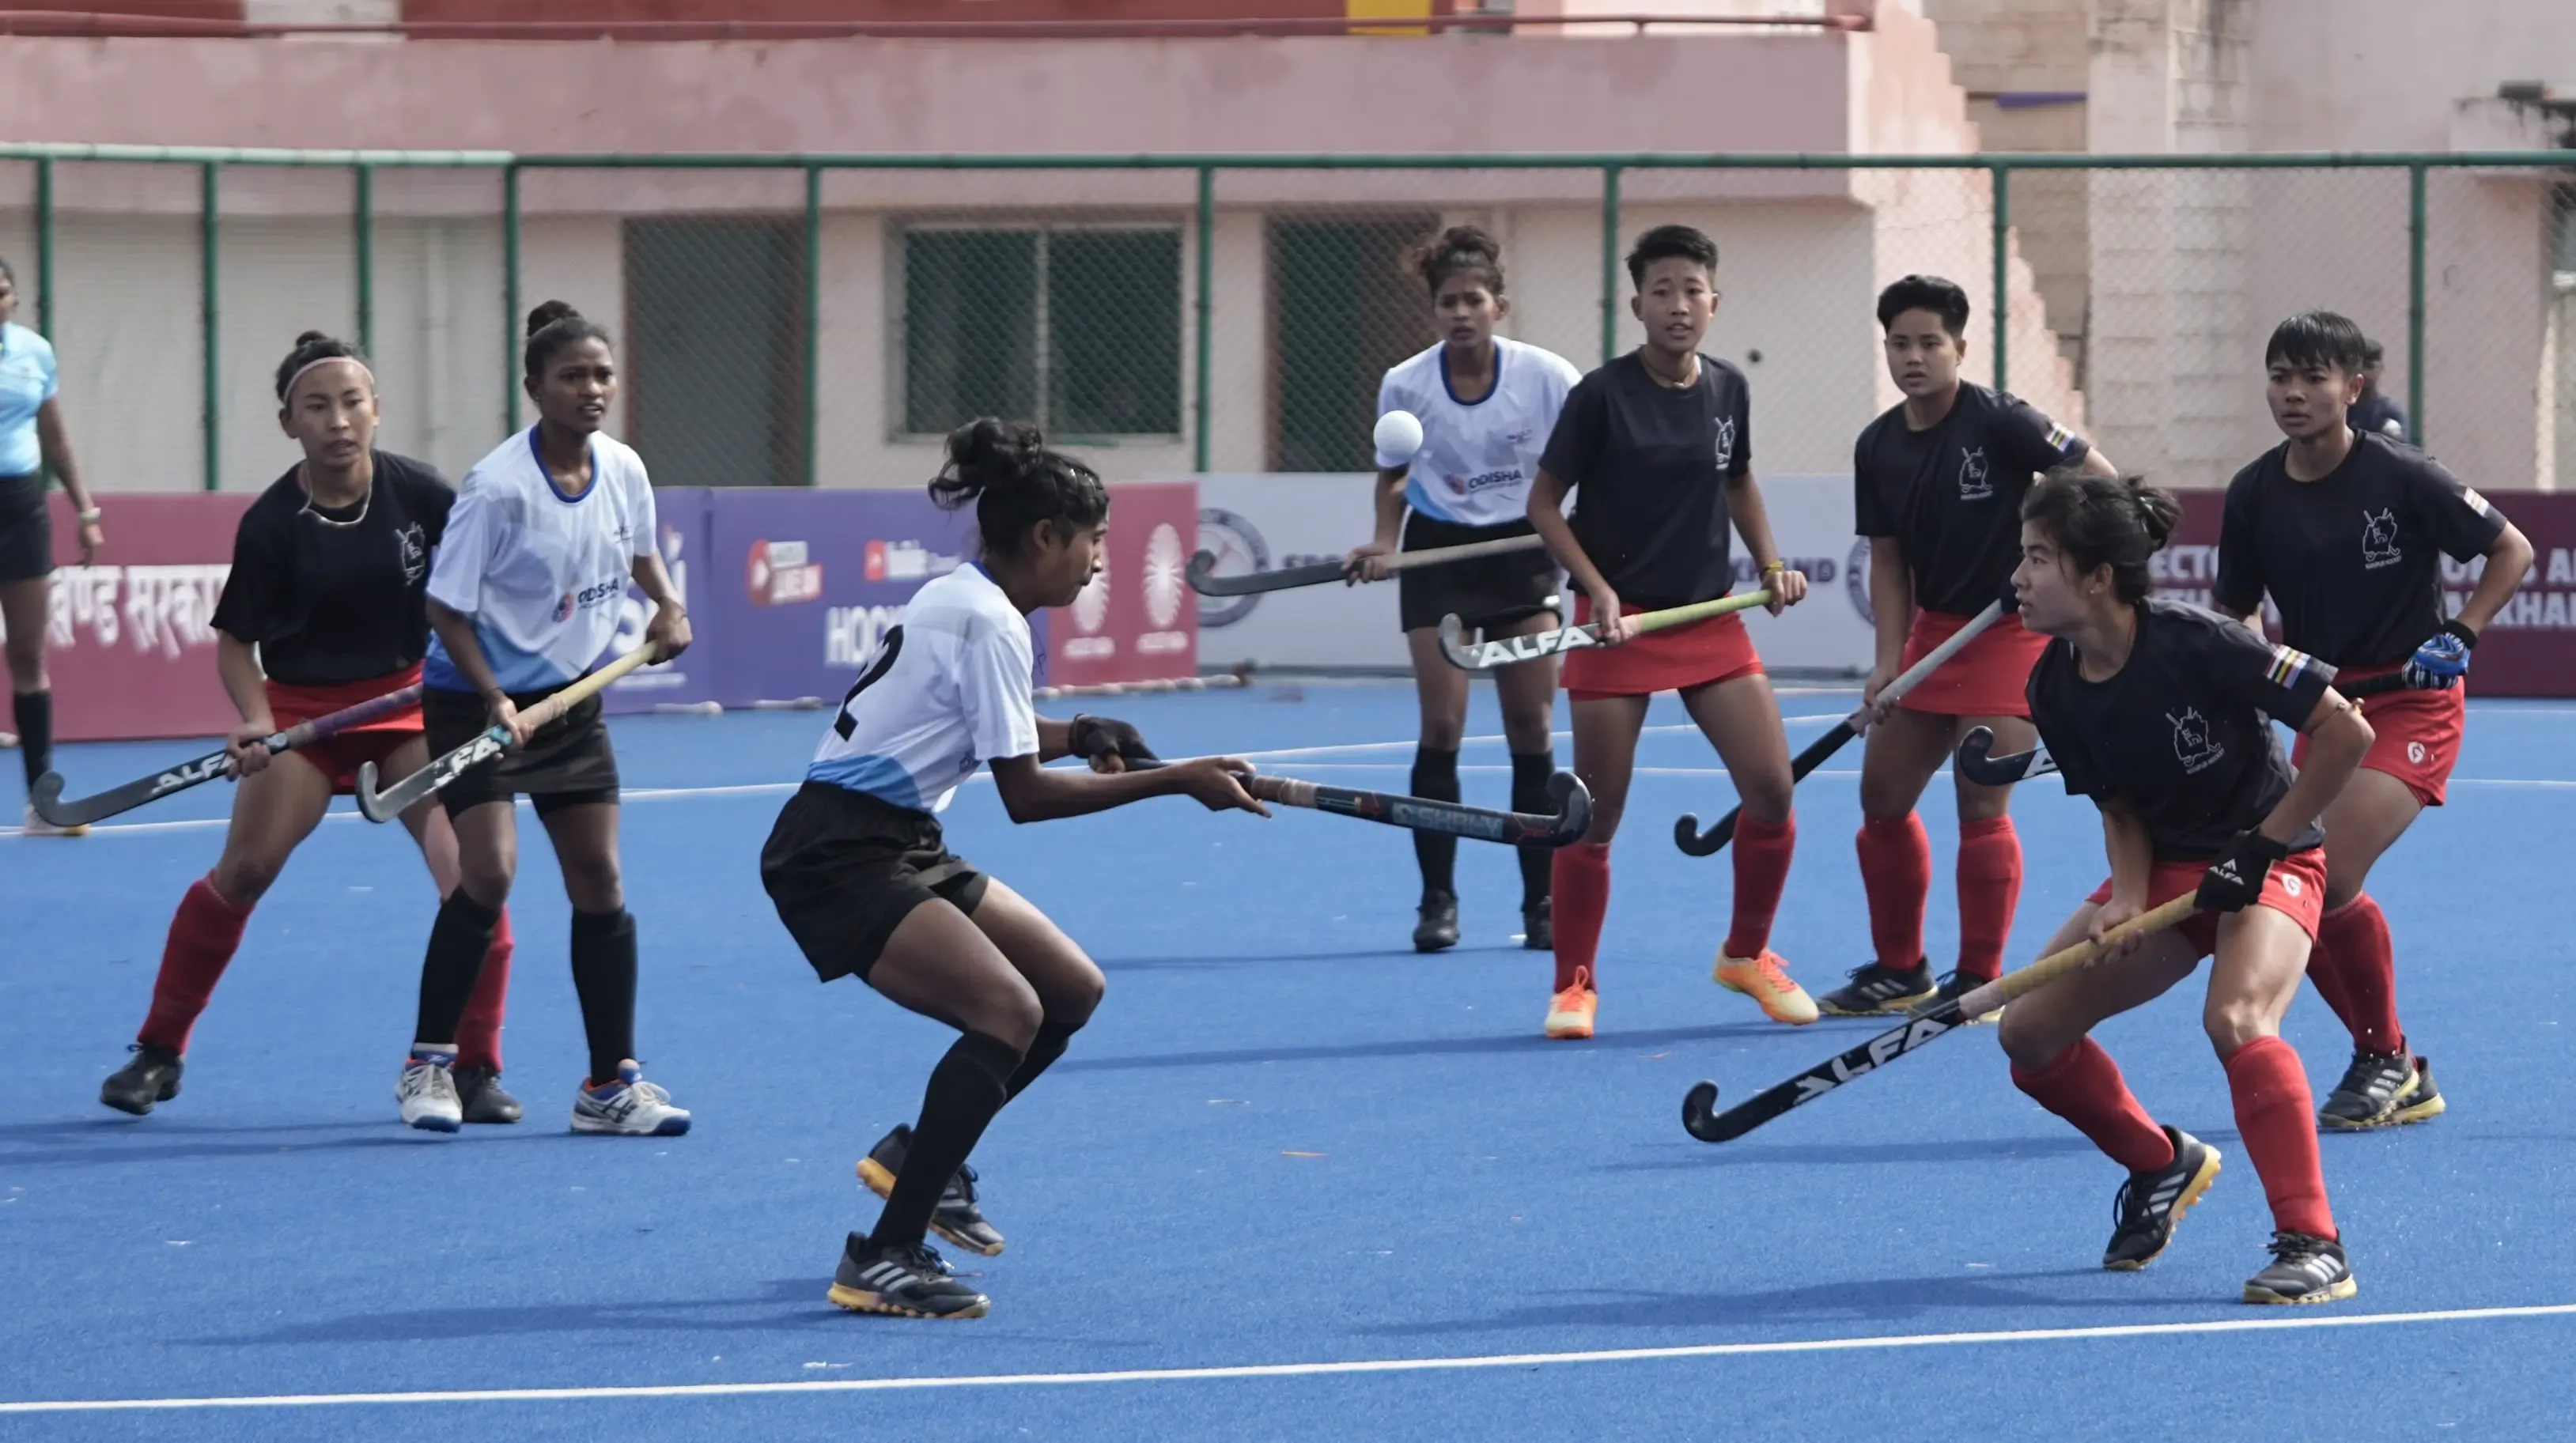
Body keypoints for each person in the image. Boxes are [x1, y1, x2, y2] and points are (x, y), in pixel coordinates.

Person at [762, 417, 1265, 1320]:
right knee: (1007, 1010)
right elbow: (1025, 798)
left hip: (900, 837)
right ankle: (885, 1253)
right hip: (838, 852)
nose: (1099, 561)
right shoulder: (988, 621)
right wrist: (1177, 781)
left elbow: (990, 730)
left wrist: (1085, 732)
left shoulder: (972, 599)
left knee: (1069, 989)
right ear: (1044, 537)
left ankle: (922, 1156)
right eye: (1093, 541)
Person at [99, 334, 521, 1121]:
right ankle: (159, 1049)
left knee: (473, 878)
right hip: (302, 720)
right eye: (317, 406)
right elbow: (236, 644)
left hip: (408, 713)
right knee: (245, 872)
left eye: (352, 401)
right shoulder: (271, 523)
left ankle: (473, 1065)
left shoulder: (422, 494)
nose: (338, 420)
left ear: (377, 408)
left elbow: (480, 591)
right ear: (288, 420)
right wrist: (255, 719)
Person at [2002, 472, 2374, 1305]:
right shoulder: (2049, 686)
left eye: (2035, 559)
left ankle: (2313, 1243)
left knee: (2236, 1018)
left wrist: (2263, 843)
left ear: (2097, 577)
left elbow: (2345, 730)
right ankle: (2159, 1161)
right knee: (2027, 1035)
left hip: (2270, 860)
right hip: (2172, 872)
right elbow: (2118, 806)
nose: (2016, 579)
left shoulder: (2200, 641)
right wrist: (2129, 898)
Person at [2215, 311, 2531, 1129]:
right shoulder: (2252, 490)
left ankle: (2383, 1058)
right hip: (2319, 705)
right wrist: (2256, 676)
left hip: (2409, 703)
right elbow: (2236, 607)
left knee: (2318, 872)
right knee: (2305, 881)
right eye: (2279, 375)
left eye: (2312, 377)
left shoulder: (2402, 474)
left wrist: (2458, 634)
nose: (2292, 393)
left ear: (2351, 388)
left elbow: (2512, 550)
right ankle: (2387, 1060)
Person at [395, 300, 690, 1135]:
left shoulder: (623, 468)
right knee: (486, 874)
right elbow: (446, 610)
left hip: (570, 700)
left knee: (600, 881)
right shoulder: (497, 489)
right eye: (572, 377)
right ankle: (427, 1065)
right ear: (535, 389)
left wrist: (665, 605)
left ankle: (608, 1085)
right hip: (473, 699)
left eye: (601, 374)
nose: (591, 389)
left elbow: (639, 554)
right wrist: (493, 698)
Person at [1523, 224, 1814, 1041]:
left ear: (1713, 303)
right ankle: (1574, 983)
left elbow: (1736, 477)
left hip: (1706, 616)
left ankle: (1745, 955)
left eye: (1691, 290)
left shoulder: (1727, 389)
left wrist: (1768, 561)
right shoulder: (1599, 396)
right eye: (1661, 291)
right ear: (1636, 303)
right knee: (1595, 815)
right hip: (1618, 626)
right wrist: (1597, 592)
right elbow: (1544, 504)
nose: (1677, 305)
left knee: (1771, 791)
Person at [1820, 275, 2120, 1018]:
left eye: (1929, 342)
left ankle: (1977, 978)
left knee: (1980, 795)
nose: (1913, 356)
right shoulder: (1878, 444)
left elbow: (2102, 482)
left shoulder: (2001, 421)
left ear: (1960, 346)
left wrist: (2052, 559)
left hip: (2010, 631)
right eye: (1899, 343)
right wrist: (1888, 658)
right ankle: (1899, 969)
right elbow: (1887, 561)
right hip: (1934, 633)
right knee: (1881, 798)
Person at [1345, 225, 1580, 954]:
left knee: (1530, 731)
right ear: (1434, 311)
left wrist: (1578, 537)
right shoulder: (1406, 384)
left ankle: (1541, 901)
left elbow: (1584, 461)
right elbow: (1392, 478)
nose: (1460, 313)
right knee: (1441, 729)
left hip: (1522, 552)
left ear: (1498, 307)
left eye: (1473, 300)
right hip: (1439, 555)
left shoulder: (1547, 376)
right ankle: (1437, 900)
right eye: (1447, 302)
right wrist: (1385, 544)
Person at [0, 256, 107, 834]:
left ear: (14, 298)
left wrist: (85, 510)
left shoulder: (34, 352)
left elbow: (55, 434)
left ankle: (40, 801)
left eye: (2, 292)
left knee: (27, 656)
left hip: (19, 506)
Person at [2346, 339, 2408, 442]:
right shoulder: (2341, 408)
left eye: (2369, 367)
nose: (2365, 373)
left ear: (2381, 368)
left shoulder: (2388, 412)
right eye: (2360, 367)